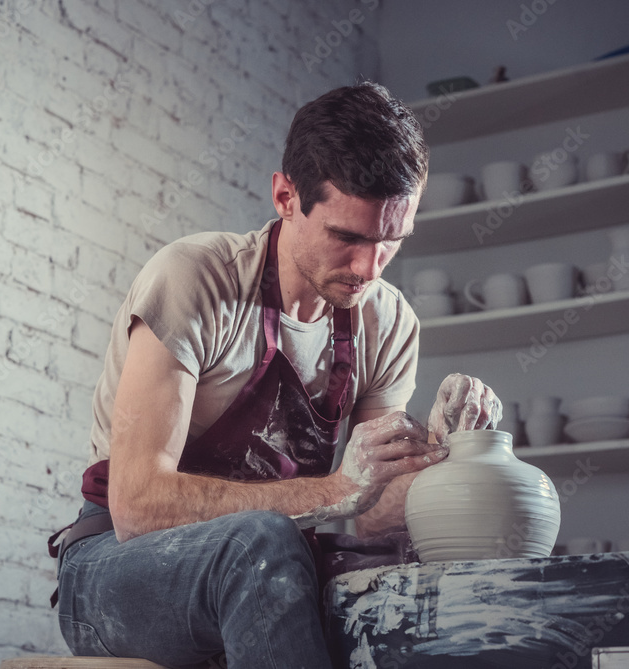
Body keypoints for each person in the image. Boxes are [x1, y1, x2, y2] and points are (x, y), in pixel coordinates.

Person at [48, 81, 501, 668]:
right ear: (285, 196)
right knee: (261, 543)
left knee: (406, 580)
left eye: (391, 241)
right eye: (347, 237)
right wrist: (336, 488)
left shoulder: (388, 322)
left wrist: (440, 453)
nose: (369, 267)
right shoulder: (196, 280)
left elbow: (373, 519)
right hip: (115, 569)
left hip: (271, 571)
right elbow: (137, 506)